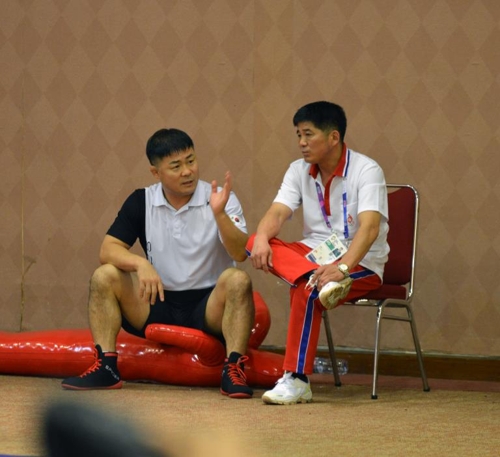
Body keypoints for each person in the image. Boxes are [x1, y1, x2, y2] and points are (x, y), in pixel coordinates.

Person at [62, 128, 255, 399]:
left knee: (238, 280)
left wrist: (219, 214)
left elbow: (240, 253)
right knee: (104, 275)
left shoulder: (220, 198)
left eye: (191, 160)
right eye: (176, 166)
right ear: (156, 173)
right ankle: (106, 367)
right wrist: (140, 265)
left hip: (208, 306)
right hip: (158, 300)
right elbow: (108, 249)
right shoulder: (142, 201)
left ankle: (233, 368)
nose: (187, 171)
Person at [248, 101, 389, 405]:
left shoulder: (367, 170)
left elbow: (370, 229)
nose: (301, 143)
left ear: (333, 137)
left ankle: (297, 379)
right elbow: (277, 212)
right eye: (298, 135)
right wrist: (261, 236)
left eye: (308, 135)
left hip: (360, 261)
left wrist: (342, 269)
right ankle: (313, 279)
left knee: (306, 291)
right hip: (314, 256)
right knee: (255, 243)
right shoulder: (298, 170)